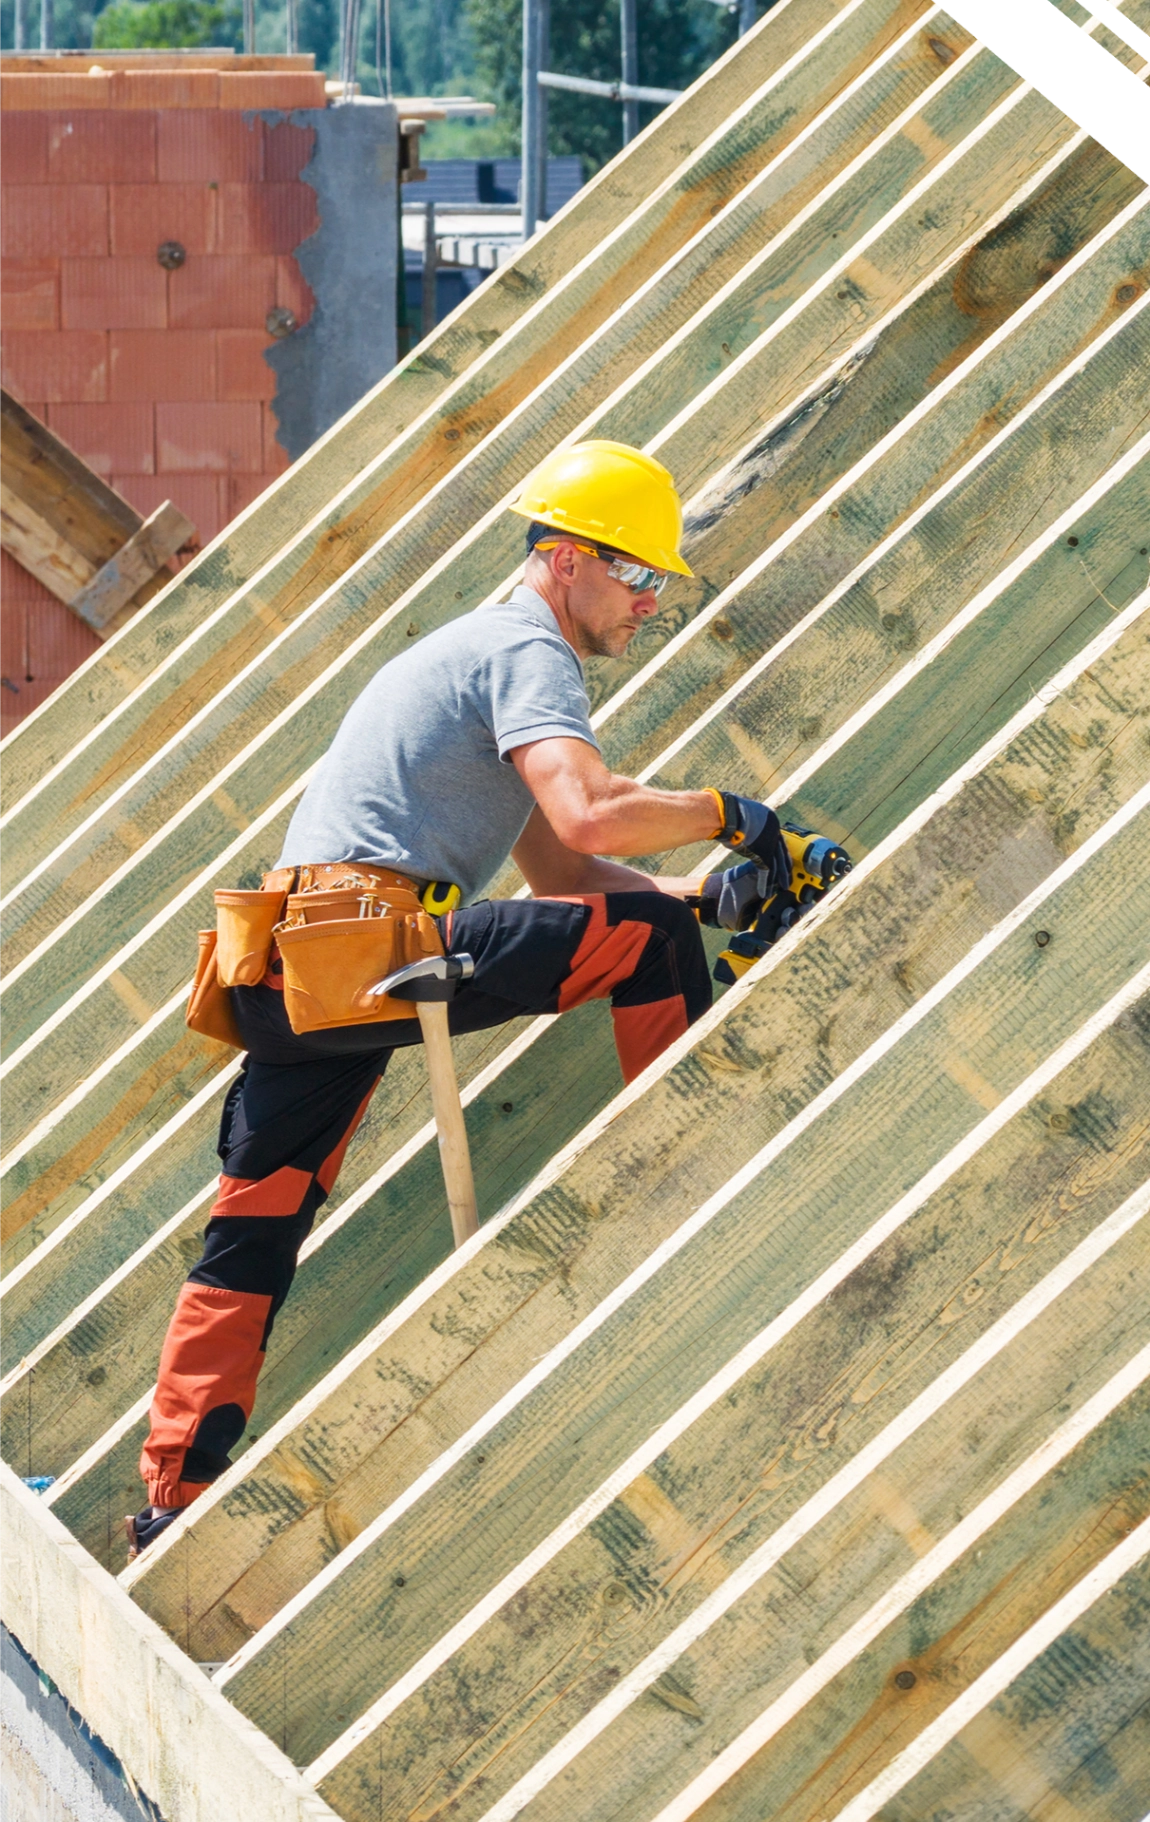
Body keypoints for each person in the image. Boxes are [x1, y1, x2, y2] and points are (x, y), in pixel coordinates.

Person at [126, 439, 800, 1558]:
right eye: (638, 579)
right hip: (368, 943)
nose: (648, 606)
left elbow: (563, 876)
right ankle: (704, 1189)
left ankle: (172, 1501)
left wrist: (707, 893)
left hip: (302, 970)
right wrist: (731, 812)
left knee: (253, 1228)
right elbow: (589, 817)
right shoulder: (529, 651)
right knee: (650, 941)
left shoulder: (471, 658)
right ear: (568, 560)